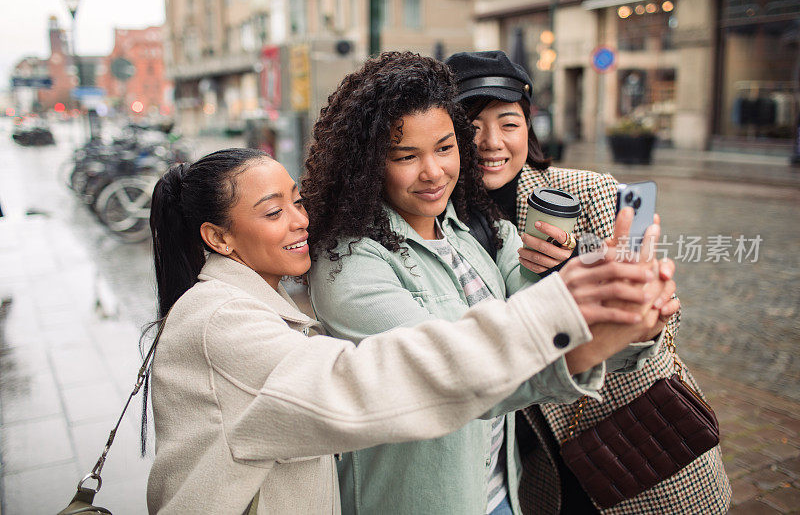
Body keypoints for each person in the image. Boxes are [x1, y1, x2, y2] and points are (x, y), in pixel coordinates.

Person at [145, 148, 659, 514]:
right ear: (217, 237)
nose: (301, 220)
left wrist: (601, 331)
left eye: (298, 202)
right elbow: (365, 381)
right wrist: (558, 312)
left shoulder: (469, 231)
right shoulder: (221, 323)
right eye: (274, 212)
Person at [303, 52, 674, 515]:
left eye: (444, 147)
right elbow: (444, 374)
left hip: (502, 494)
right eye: (405, 156)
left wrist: (636, 321)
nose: (433, 172)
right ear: (366, 164)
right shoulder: (349, 263)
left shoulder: (475, 231)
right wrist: (586, 337)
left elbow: (543, 316)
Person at [446, 49, 731, 514]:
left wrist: (580, 271)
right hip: (539, 463)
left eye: (508, 123)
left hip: (636, 436)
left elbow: (665, 317)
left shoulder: (598, 190)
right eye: (471, 127)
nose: (490, 142)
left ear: (528, 125)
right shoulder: (442, 218)